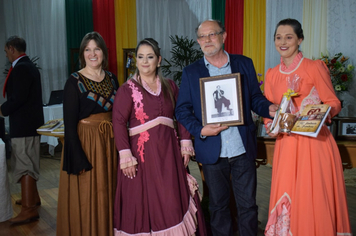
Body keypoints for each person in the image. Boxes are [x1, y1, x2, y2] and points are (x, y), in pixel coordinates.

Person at [175, 19, 278, 236]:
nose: (207, 40)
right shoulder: (191, 72)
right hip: (212, 150)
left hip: (242, 147)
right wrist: (201, 130)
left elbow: (255, 98)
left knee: (248, 206)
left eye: (212, 34)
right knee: (218, 208)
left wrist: (269, 108)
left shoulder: (244, 63)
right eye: (202, 37)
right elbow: (182, 110)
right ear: (198, 41)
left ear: (224, 36)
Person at [264, 18, 352, 236]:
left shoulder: (314, 67)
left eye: (289, 37)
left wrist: (314, 113)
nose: (282, 42)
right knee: (288, 192)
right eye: (278, 37)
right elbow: (269, 108)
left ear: (300, 39)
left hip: (315, 145)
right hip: (286, 146)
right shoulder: (271, 74)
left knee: (312, 196)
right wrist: (269, 124)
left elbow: (333, 102)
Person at [112, 38, 206, 236]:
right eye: (140, 57)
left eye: (150, 56)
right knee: (144, 203)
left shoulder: (170, 86)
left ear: (159, 60)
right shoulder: (126, 90)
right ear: (135, 60)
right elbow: (119, 123)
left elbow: (181, 115)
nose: (145, 61)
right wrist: (126, 156)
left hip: (169, 155)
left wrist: (185, 143)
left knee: (171, 199)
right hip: (141, 158)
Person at [56, 32, 119, 236]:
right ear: (83, 53)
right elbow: (70, 125)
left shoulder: (112, 78)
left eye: (97, 49)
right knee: (88, 193)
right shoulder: (74, 81)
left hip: (110, 142)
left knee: (110, 190)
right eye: (88, 49)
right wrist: (77, 157)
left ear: (103, 52)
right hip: (86, 144)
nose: (93, 54)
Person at [1, 36, 44, 224]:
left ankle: (29, 209)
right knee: (29, 161)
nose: (6, 55)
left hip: (24, 125)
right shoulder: (27, 66)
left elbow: (18, 97)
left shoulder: (21, 68)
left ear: (11, 49)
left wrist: (2, 110)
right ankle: (32, 199)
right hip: (29, 124)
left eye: (5, 51)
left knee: (25, 164)